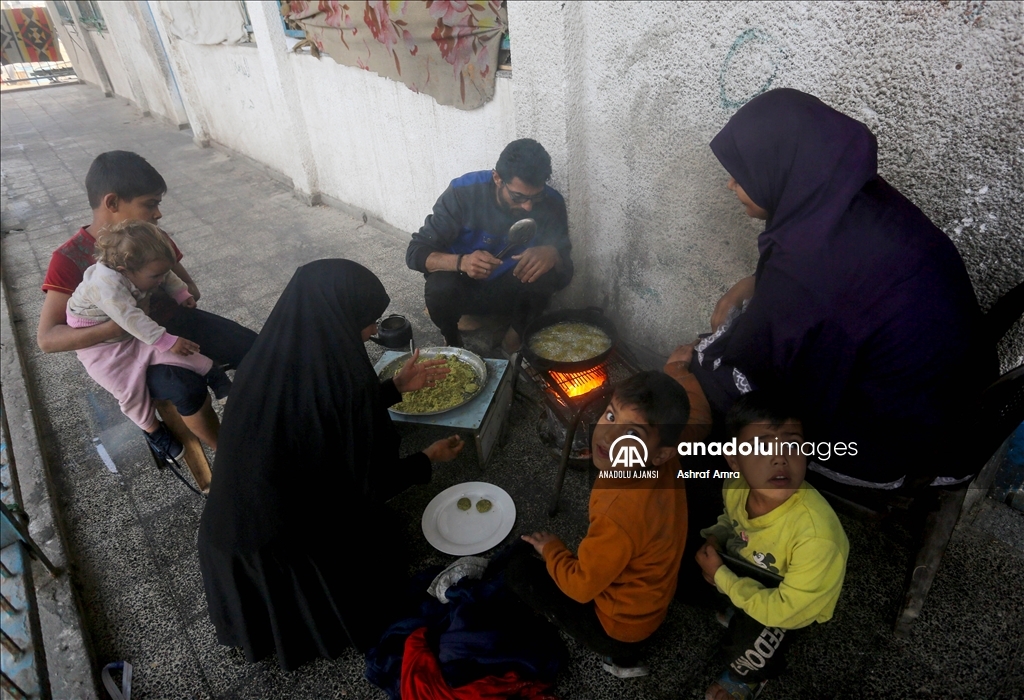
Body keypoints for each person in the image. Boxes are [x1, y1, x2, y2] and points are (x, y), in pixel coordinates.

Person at [668, 88, 995, 490]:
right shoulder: (851, 198)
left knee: (711, 392)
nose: (731, 184)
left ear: (783, 170)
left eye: (745, 173)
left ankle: (686, 495)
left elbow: (761, 369)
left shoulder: (809, 270)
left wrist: (683, 374)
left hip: (902, 449)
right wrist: (752, 284)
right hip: (951, 406)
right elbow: (833, 300)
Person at [198, 259, 466, 672]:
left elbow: (318, 420)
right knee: (379, 550)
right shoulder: (344, 381)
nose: (371, 332)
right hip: (284, 548)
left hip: (224, 539)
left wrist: (394, 388)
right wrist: (429, 457)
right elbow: (369, 484)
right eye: (367, 321)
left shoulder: (266, 357)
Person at [37, 151, 257, 451]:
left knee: (255, 349)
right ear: (112, 203)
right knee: (187, 388)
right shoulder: (68, 259)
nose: (158, 214)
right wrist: (115, 330)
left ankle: (263, 424)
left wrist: (183, 294)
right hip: (128, 350)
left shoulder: (153, 237)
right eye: (150, 204)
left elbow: (187, 284)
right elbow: (48, 340)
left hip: (176, 326)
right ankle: (231, 455)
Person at [506, 371, 690, 679]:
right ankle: (627, 650)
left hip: (618, 626)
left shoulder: (620, 510)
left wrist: (552, 549)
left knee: (517, 570)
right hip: (652, 602)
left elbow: (581, 588)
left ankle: (620, 657)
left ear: (661, 453)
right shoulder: (665, 463)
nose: (606, 437)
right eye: (610, 414)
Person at [696, 391, 848, 700]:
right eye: (762, 446)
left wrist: (724, 579)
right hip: (753, 568)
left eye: (793, 445)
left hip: (792, 602)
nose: (780, 458)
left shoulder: (817, 537)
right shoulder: (736, 486)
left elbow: (787, 610)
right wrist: (714, 537)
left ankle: (747, 677)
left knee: (747, 647)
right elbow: (731, 519)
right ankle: (740, 604)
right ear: (734, 460)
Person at [66, 220, 231, 459]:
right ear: (125, 271)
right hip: (99, 348)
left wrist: (180, 292)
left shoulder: (146, 268)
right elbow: (131, 317)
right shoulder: (106, 285)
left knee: (177, 352)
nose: (160, 280)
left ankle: (214, 375)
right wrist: (167, 340)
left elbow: (167, 275)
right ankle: (153, 430)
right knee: (126, 389)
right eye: (155, 276)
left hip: (133, 333)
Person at [406, 138, 573, 349]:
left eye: (535, 197)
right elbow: (415, 253)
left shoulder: (552, 202)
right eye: (518, 196)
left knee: (545, 275)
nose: (528, 206)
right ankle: (452, 339)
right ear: (497, 178)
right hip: (465, 286)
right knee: (438, 289)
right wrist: (462, 262)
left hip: (510, 290)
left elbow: (566, 270)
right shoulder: (463, 193)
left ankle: (513, 338)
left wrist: (553, 253)